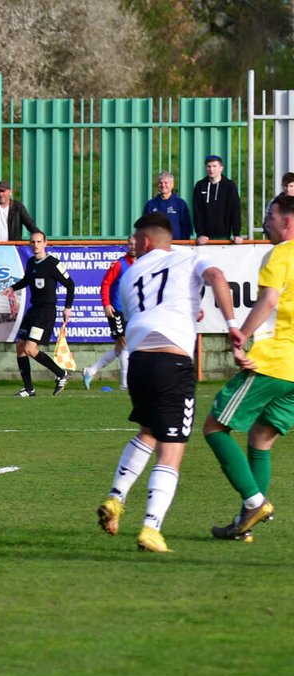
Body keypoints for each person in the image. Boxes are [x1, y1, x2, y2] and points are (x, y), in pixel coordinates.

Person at [93, 213, 236, 553]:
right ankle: (151, 528)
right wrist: (232, 325)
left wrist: (188, 312)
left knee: (148, 431)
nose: (132, 244)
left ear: (144, 242)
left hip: (139, 362)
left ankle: (115, 498)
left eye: (134, 239)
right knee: (172, 449)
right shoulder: (189, 257)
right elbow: (217, 277)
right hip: (171, 362)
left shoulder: (130, 275)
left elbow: (151, 311)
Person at [199, 192, 294, 543]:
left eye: (270, 216)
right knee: (260, 439)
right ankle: (245, 524)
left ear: (287, 221)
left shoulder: (281, 254)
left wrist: (241, 336)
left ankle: (255, 503)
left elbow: (268, 300)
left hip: (274, 362)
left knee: (214, 427)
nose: (265, 223)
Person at [3, 231, 74, 397]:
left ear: (45, 243)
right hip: (34, 310)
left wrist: (68, 307)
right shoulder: (31, 262)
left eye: (39, 241)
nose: (35, 245)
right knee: (20, 347)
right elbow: (27, 280)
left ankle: (61, 374)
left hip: (46, 311)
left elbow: (70, 284)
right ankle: (29, 389)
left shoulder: (53, 263)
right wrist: (12, 288)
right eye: (33, 242)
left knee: (30, 348)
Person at [83, 236, 137, 390]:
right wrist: (106, 304)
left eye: (135, 244)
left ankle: (91, 370)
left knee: (120, 348)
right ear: (127, 245)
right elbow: (106, 283)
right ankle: (125, 385)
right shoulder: (119, 264)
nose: (133, 247)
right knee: (125, 344)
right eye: (130, 244)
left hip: (133, 311)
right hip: (117, 310)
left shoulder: (142, 264)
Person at [192, 154, 243, 244]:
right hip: (204, 238)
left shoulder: (230, 186)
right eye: (209, 166)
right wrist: (200, 234)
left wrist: (236, 233)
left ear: (221, 168)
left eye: (214, 166)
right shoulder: (200, 186)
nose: (211, 169)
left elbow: (235, 210)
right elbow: (197, 212)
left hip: (225, 237)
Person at [142, 172, 193, 240]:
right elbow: (145, 226)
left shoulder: (180, 203)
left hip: (176, 244)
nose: (163, 185)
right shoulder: (150, 205)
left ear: (172, 184)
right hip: (156, 244)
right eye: (160, 183)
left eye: (166, 183)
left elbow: (186, 226)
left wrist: (182, 242)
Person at [262, 172, 294, 239]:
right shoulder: (274, 203)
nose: (288, 189)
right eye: (286, 186)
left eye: (291, 186)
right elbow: (267, 222)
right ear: (282, 185)